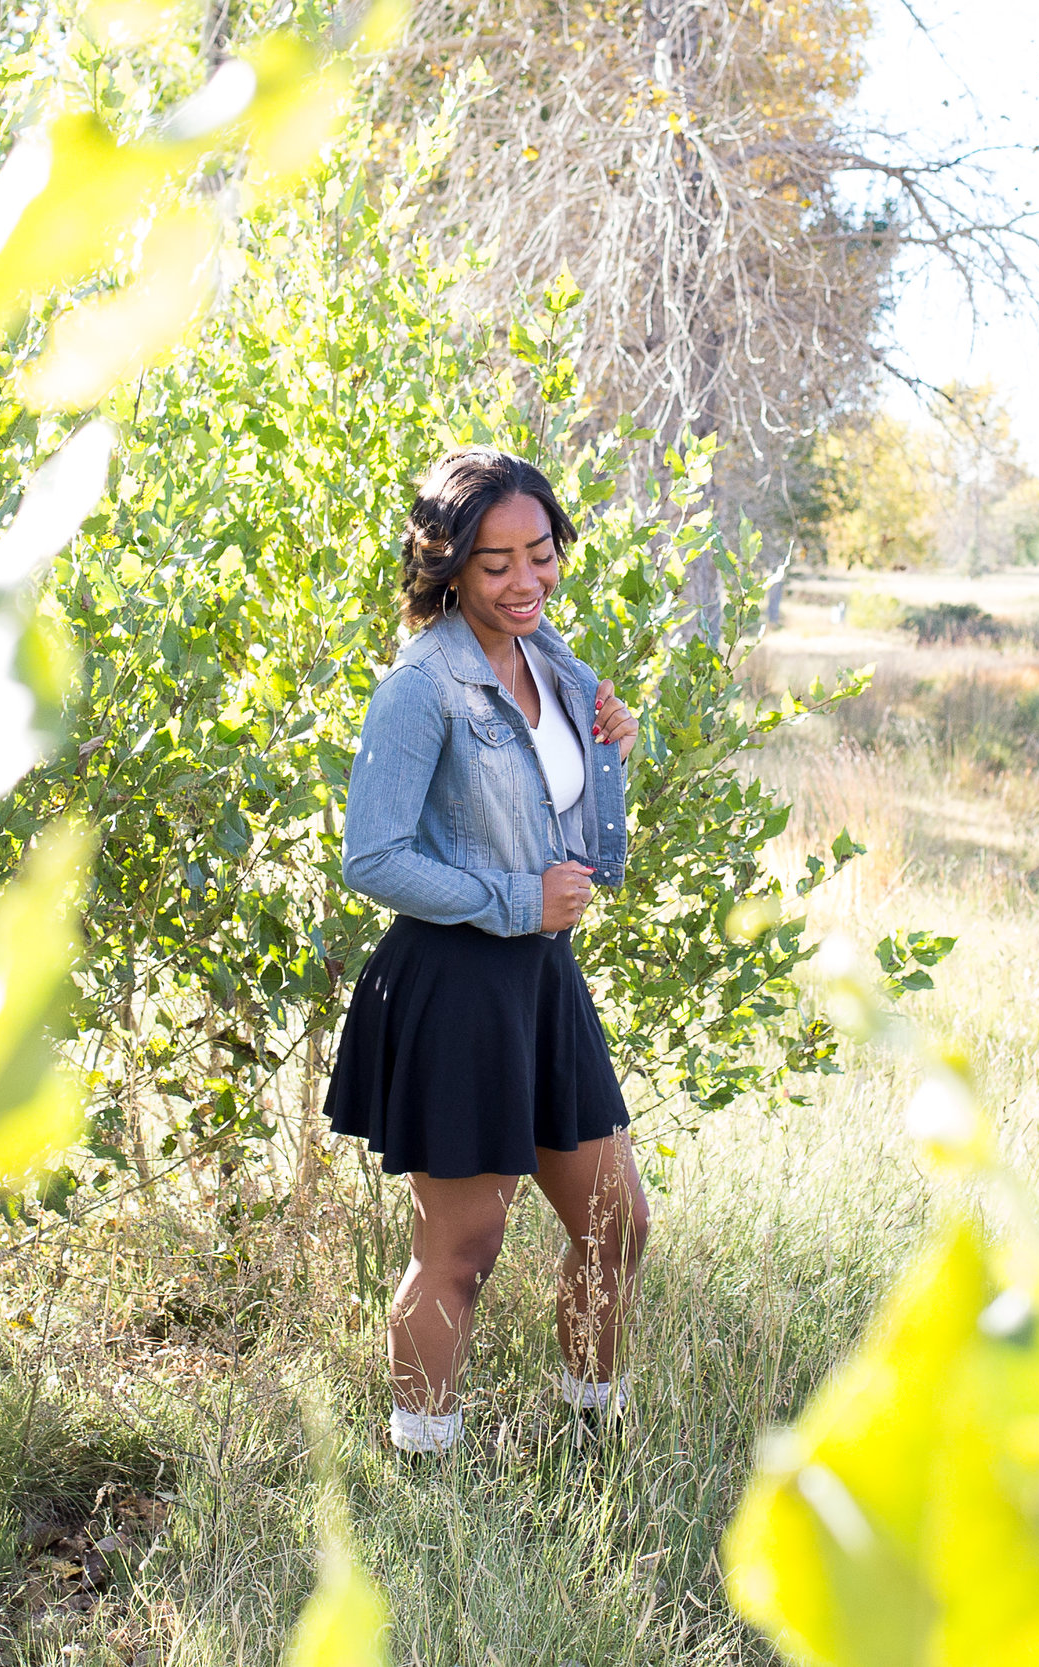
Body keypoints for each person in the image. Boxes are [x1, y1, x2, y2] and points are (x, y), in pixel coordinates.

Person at [326, 446, 649, 1457]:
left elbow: (561, 817)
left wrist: (612, 752)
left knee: (616, 1223)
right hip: (457, 979)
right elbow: (370, 854)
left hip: (542, 979)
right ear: (451, 564)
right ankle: (423, 1458)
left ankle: (592, 1435)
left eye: (540, 554)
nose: (525, 581)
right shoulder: (420, 686)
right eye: (497, 561)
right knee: (461, 1246)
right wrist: (517, 896)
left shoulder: (559, 666)